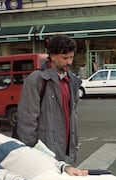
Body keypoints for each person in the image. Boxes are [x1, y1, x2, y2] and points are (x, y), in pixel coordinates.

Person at [17, 34, 81, 165]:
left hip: (67, 152)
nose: (69, 61)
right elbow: (27, 121)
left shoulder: (72, 80)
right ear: (52, 56)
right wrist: (29, 153)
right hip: (44, 153)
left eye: (71, 57)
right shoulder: (36, 80)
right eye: (64, 58)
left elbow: (73, 116)